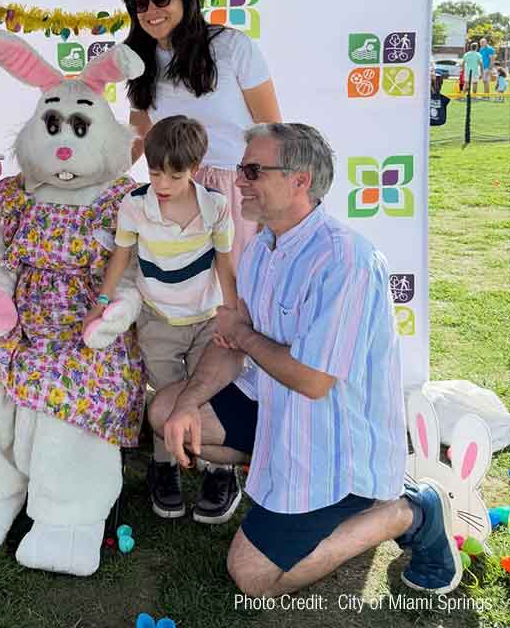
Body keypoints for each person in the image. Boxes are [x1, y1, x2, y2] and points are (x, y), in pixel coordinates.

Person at [151, 123, 463, 598]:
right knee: (167, 410)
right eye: (241, 169)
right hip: (279, 412)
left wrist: (241, 333)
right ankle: (271, 480)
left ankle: (410, 510)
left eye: (253, 170)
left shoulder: (345, 260)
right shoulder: (261, 246)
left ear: (300, 181)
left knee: (252, 579)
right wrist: (191, 401)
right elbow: (232, 346)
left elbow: (313, 382)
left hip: (335, 449)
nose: (238, 181)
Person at [120, 0, 280, 511]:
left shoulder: (230, 47)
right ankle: (167, 453)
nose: (151, 11)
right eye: (139, 4)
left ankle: (221, 458)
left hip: (237, 191)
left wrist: (265, 195)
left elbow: (270, 128)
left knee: (232, 314)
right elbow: (142, 134)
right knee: (165, 317)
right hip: (173, 199)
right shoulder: (139, 63)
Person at [84, 114, 239, 521]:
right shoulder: (134, 204)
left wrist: (232, 313)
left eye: (174, 176)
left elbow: (225, 263)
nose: (163, 185)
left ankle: (218, 470)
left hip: (206, 318)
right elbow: (120, 254)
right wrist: (102, 299)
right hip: (157, 320)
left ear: (196, 169)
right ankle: (164, 466)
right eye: (155, 174)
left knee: (208, 392)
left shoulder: (216, 206)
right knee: (167, 396)